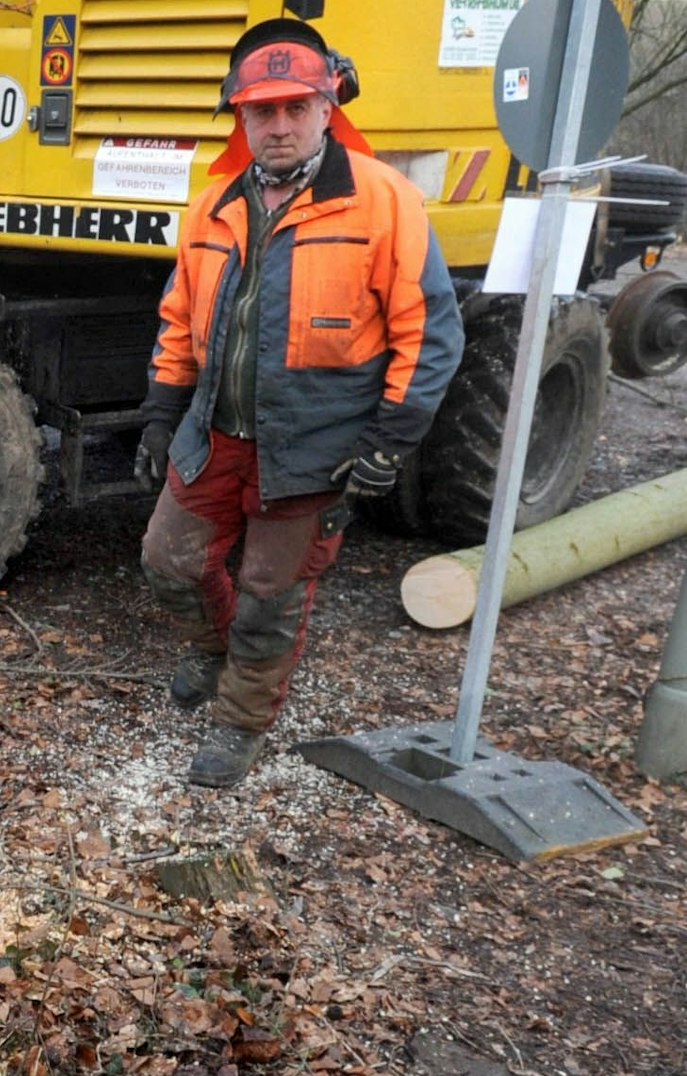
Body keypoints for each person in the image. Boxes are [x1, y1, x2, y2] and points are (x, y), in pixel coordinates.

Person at [133, 19, 464, 788]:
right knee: (168, 561)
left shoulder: (382, 201)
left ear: (327, 105)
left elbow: (429, 332)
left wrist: (390, 440)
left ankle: (240, 724)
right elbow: (180, 317)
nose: (277, 125)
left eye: (294, 107)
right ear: (239, 116)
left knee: (268, 597)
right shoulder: (213, 203)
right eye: (260, 110)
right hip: (216, 428)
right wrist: (160, 409)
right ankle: (213, 648)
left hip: (317, 442)